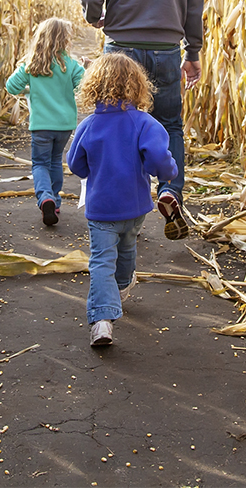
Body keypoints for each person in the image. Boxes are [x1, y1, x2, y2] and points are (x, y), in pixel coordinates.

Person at [76, 0, 204, 240]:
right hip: (167, 50)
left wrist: (94, 15)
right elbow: (195, 5)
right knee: (169, 124)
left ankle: (115, 211)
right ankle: (169, 189)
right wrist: (192, 52)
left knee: (113, 124)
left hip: (121, 49)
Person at [68, 53, 178, 346]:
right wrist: (167, 173)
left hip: (101, 208)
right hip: (135, 207)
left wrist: (94, 165)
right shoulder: (145, 123)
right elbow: (159, 160)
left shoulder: (88, 125)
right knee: (127, 248)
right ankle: (119, 289)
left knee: (102, 260)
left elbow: (75, 165)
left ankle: (103, 319)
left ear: (94, 87)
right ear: (138, 86)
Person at [5, 18, 85, 225]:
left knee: (40, 163)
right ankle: (55, 201)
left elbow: (11, 87)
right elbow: (84, 87)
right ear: (65, 40)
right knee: (55, 160)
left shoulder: (31, 65)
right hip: (65, 124)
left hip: (41, 125)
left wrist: (30, 90)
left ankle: (45, 197)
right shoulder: (71, 65)